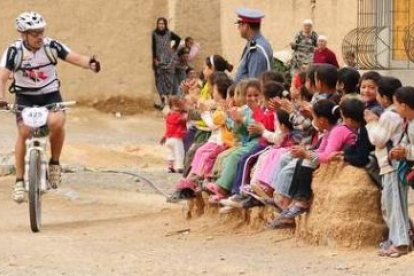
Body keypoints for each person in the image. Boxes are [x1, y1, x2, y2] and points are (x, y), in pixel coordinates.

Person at [0, 11, 100, 203]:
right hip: (25, 97)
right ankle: (19, 181)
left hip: (50, 95)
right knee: (24, 132)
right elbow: (2, 75)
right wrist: (1, 97)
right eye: (34, 33)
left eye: (41, 31)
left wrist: (91, 64)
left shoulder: (51, 46)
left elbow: (75, 57)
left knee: (57, 122)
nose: (39, 36)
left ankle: (54, 163)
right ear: (24, 34)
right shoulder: (14, 51)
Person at [234, 7, 273, 82]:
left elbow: (254, 84)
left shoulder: (257, 50)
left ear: (246, 26)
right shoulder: (255, 43)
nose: (238, 27)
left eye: (240, 23)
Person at [152, 17, 181, 110]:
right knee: (159, 82)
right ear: (157, 24)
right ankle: (163, 101)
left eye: (163, 24)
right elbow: (153, 47)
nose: (161, 25)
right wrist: (154, 59)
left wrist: (173, 49)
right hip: (159, 61)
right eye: (159, 23)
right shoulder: (154, 34)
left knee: (168, 82)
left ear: (165, 25)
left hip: (168, 61)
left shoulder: (169, 33)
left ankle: (168, 104)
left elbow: (178, 39)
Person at [160, 96, 187, 173]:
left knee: (170, 153)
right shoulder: (178, 115)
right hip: (177, 139)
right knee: (179, 153)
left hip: (168, 138)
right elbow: (183, 120)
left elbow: (168, 128)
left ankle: (170, 166)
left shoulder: (168, 116)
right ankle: (179, 167)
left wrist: (164, 137)